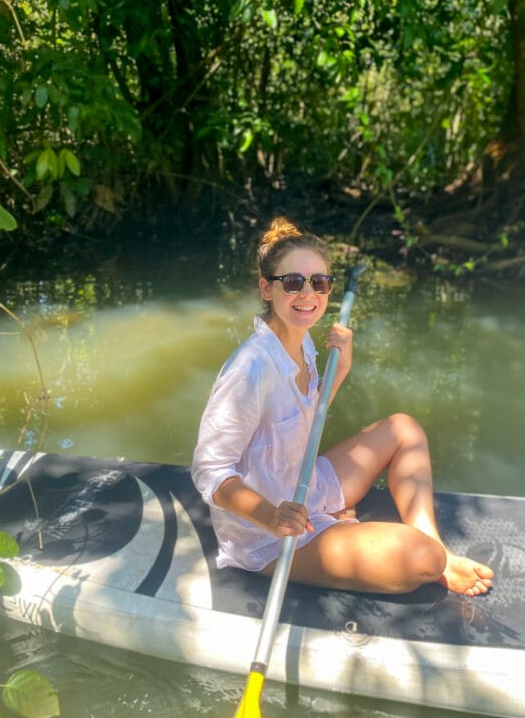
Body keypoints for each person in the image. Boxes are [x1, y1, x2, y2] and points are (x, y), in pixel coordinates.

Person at [191, 217, 494, 597]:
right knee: (421, 559)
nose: (308, 294)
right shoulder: (250, 369)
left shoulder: (303, 344)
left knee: (404, 429)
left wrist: (341, 369)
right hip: (267, 533)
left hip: (304, 484)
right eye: (293, 282)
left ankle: (438, 550)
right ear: (266, 289)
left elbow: (306, 424)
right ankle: (426, 554)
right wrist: (272, 517)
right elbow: (210, 471)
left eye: (319, 282)